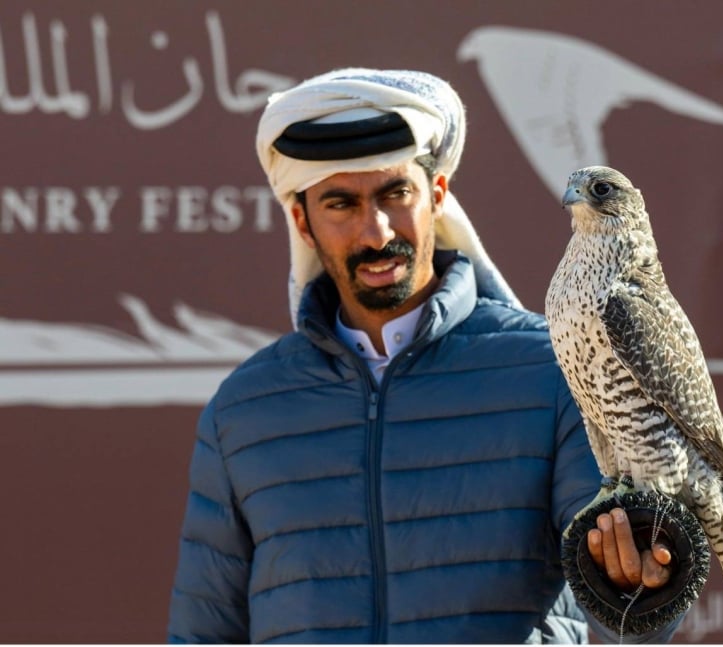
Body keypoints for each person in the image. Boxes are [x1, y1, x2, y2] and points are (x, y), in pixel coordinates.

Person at [167, 68, 681, 644]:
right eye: (340, 204)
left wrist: (643, 581)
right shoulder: (245, 410)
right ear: (301, 221)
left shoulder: (553, 369)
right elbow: (202, 630)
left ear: (436, 196)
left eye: (395, 194)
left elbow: (629, 607)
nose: (376, 231)